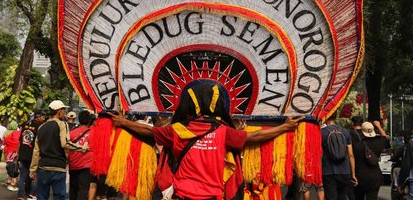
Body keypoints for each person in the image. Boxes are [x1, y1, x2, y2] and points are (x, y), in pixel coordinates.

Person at [112, 82, 303, 200]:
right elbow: (255, 137)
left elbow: (149, 131)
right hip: (213, 196)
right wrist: (284, 127)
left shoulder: (177, 130)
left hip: (182, 195)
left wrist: (122, 122)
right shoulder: (223, 132)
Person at [30, 100, 88, 200]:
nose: (64, 112)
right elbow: (65, 143)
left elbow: (36, 151)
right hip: (58, 168)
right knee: (59, 197)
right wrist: (83, 148)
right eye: (64, 110)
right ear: (59, 111)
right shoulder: (62, 124)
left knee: (41, 197)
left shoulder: (41, 127)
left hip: (43, 168)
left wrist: (33, 170)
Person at [321, 111, 357, 200]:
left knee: (330, 197)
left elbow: (319, 154)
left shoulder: (321, 132)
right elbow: (351, 154)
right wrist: (353, 174)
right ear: (336, 117)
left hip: (328, 171)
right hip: (344, 171)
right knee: (342, 196)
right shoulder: (345, 132)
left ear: (326, 117)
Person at [352, 120, 390, 200]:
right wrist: (378, 126)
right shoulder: (380, 142)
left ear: (362, 131)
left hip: (360, 176)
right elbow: (385, 138)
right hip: (375, 177)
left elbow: (351, 157)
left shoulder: (357, 145)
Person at [17, 111, 46, 200]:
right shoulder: (40, 126)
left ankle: (21, 195)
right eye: (43, 116)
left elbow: (20, 140)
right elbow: (40, 142)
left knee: (22, 176)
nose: (44, 118)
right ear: (38, 117)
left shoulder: (25, 125)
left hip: (22, 153)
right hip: (33, 154)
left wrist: (18, 153)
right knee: (34, 175)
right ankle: (32, 193)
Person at [68, 110, 93, 200]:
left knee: (73, 189)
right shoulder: (94, 132)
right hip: (87, 166)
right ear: (89, 120)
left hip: (73, 164)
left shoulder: (71, 133)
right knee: (84, 190)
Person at [3, 120, 21, 191]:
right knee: (15, 167)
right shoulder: (19, 133)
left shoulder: (6, 133)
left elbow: (4, 142)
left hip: (8, 152)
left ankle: (9, 180)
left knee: (9, 166)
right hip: (16, 152)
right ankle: (14, 182)